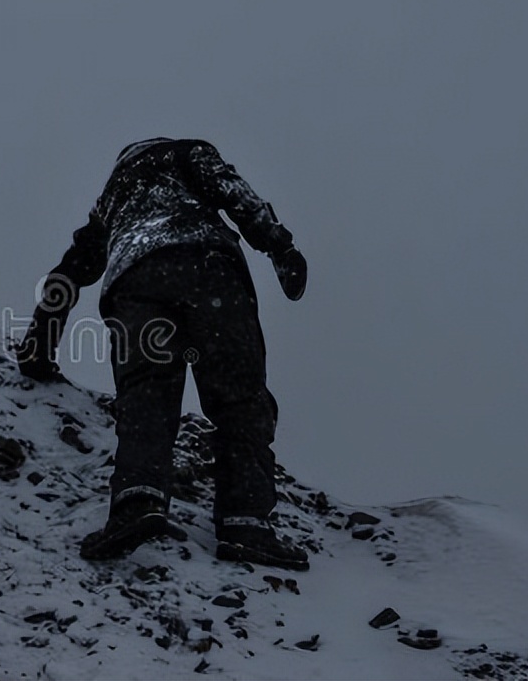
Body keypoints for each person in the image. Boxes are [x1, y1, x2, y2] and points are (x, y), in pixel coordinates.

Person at [16, 137, 310, 570]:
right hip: (206, 266)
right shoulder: (184, 153)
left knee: (146, 395)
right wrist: (280, 247)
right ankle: (244, 523)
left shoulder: (111, 202)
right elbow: (232, 190)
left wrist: (38, 345)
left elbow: (67, 275)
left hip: (134, 284)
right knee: (239, 397)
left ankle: (138, 503)